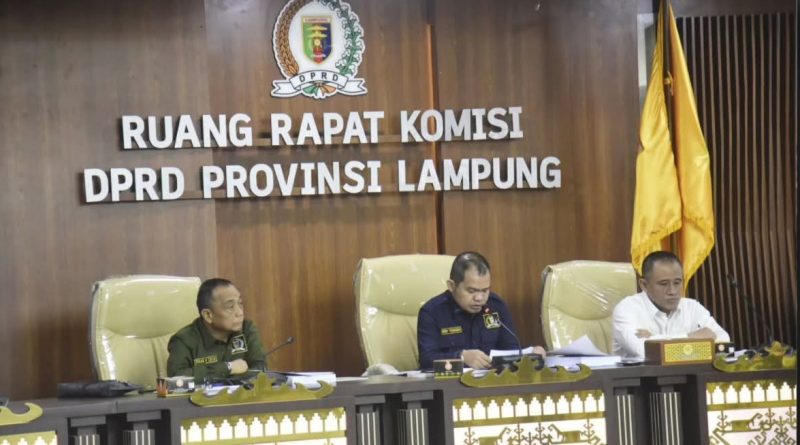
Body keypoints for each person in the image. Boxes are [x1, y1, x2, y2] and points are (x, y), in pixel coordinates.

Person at [417, 252, 546, 369]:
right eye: (471, 291)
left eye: (485, 290)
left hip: (492, 382)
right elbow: (426, 360)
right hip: (451, 384)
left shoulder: (497, 307)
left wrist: (531, 355)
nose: (479, 298)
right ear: (452, 286)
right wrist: (461, 357)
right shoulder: (432, 312)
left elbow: (511, 351)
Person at [613, 251, 730, 358]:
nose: (672, 291)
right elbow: (644, 351)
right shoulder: (627, 309)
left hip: (689, 373)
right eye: (664, 284)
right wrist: (690, 337)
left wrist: (654, 338)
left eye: (677, 283)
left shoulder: (692, 307)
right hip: (640, 374)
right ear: (644, 285)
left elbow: (724, 342)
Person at [167, 278, 267, 380]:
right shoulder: (184, 340)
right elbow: (177, 378)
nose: (240, 312)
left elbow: (260, 368)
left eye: (240, 303)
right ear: (208, 315)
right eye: (230, 306)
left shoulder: (246, 329)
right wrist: (227, 368)